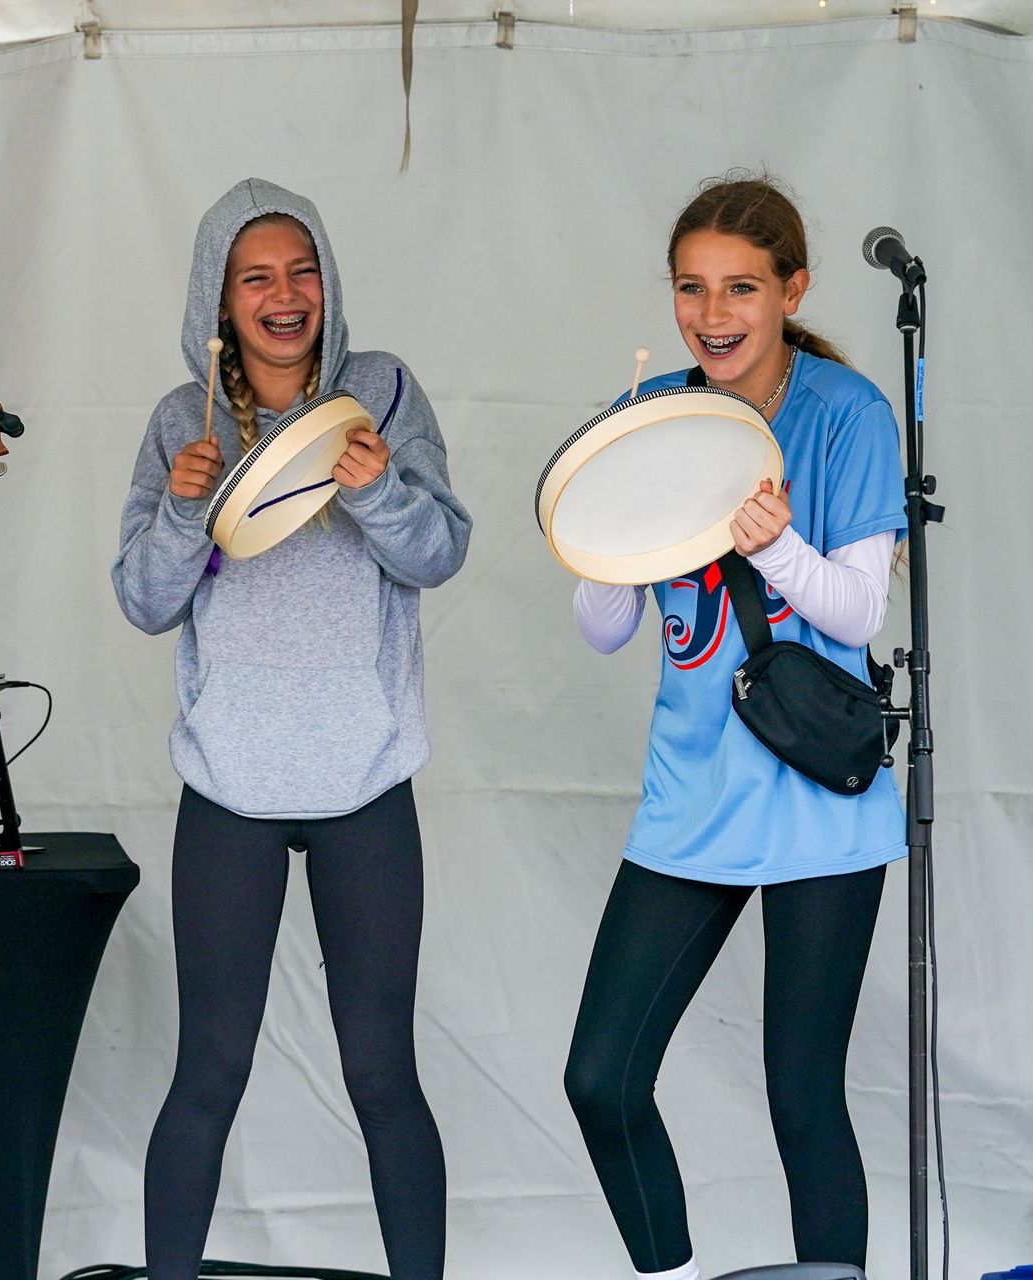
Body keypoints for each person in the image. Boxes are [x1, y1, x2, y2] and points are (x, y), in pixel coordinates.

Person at [111, 178, 472, 1280]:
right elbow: (143, 599)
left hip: (366, 782)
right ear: (218, 298)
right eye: (256, 276)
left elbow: (441, 551)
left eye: (301, 269)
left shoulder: (383, 391)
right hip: (231, 787)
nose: (284, 294)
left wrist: (376, 489)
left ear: (329, 282)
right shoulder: (182, 420)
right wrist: (182, 510)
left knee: (382, 1071)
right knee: (210, 1068)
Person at [562, 174, 908, 1280]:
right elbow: (605, 628)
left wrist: (765, 542)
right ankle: (667, 1272)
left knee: (803, 1094)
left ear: (790, 288)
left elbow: (856, 611)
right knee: (601, 1075)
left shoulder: (846, 411)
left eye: (741, 288)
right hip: (692, 793)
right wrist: (608, 531)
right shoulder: (653, 409)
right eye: (691, 288)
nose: (713, 314)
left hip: (819, 802)